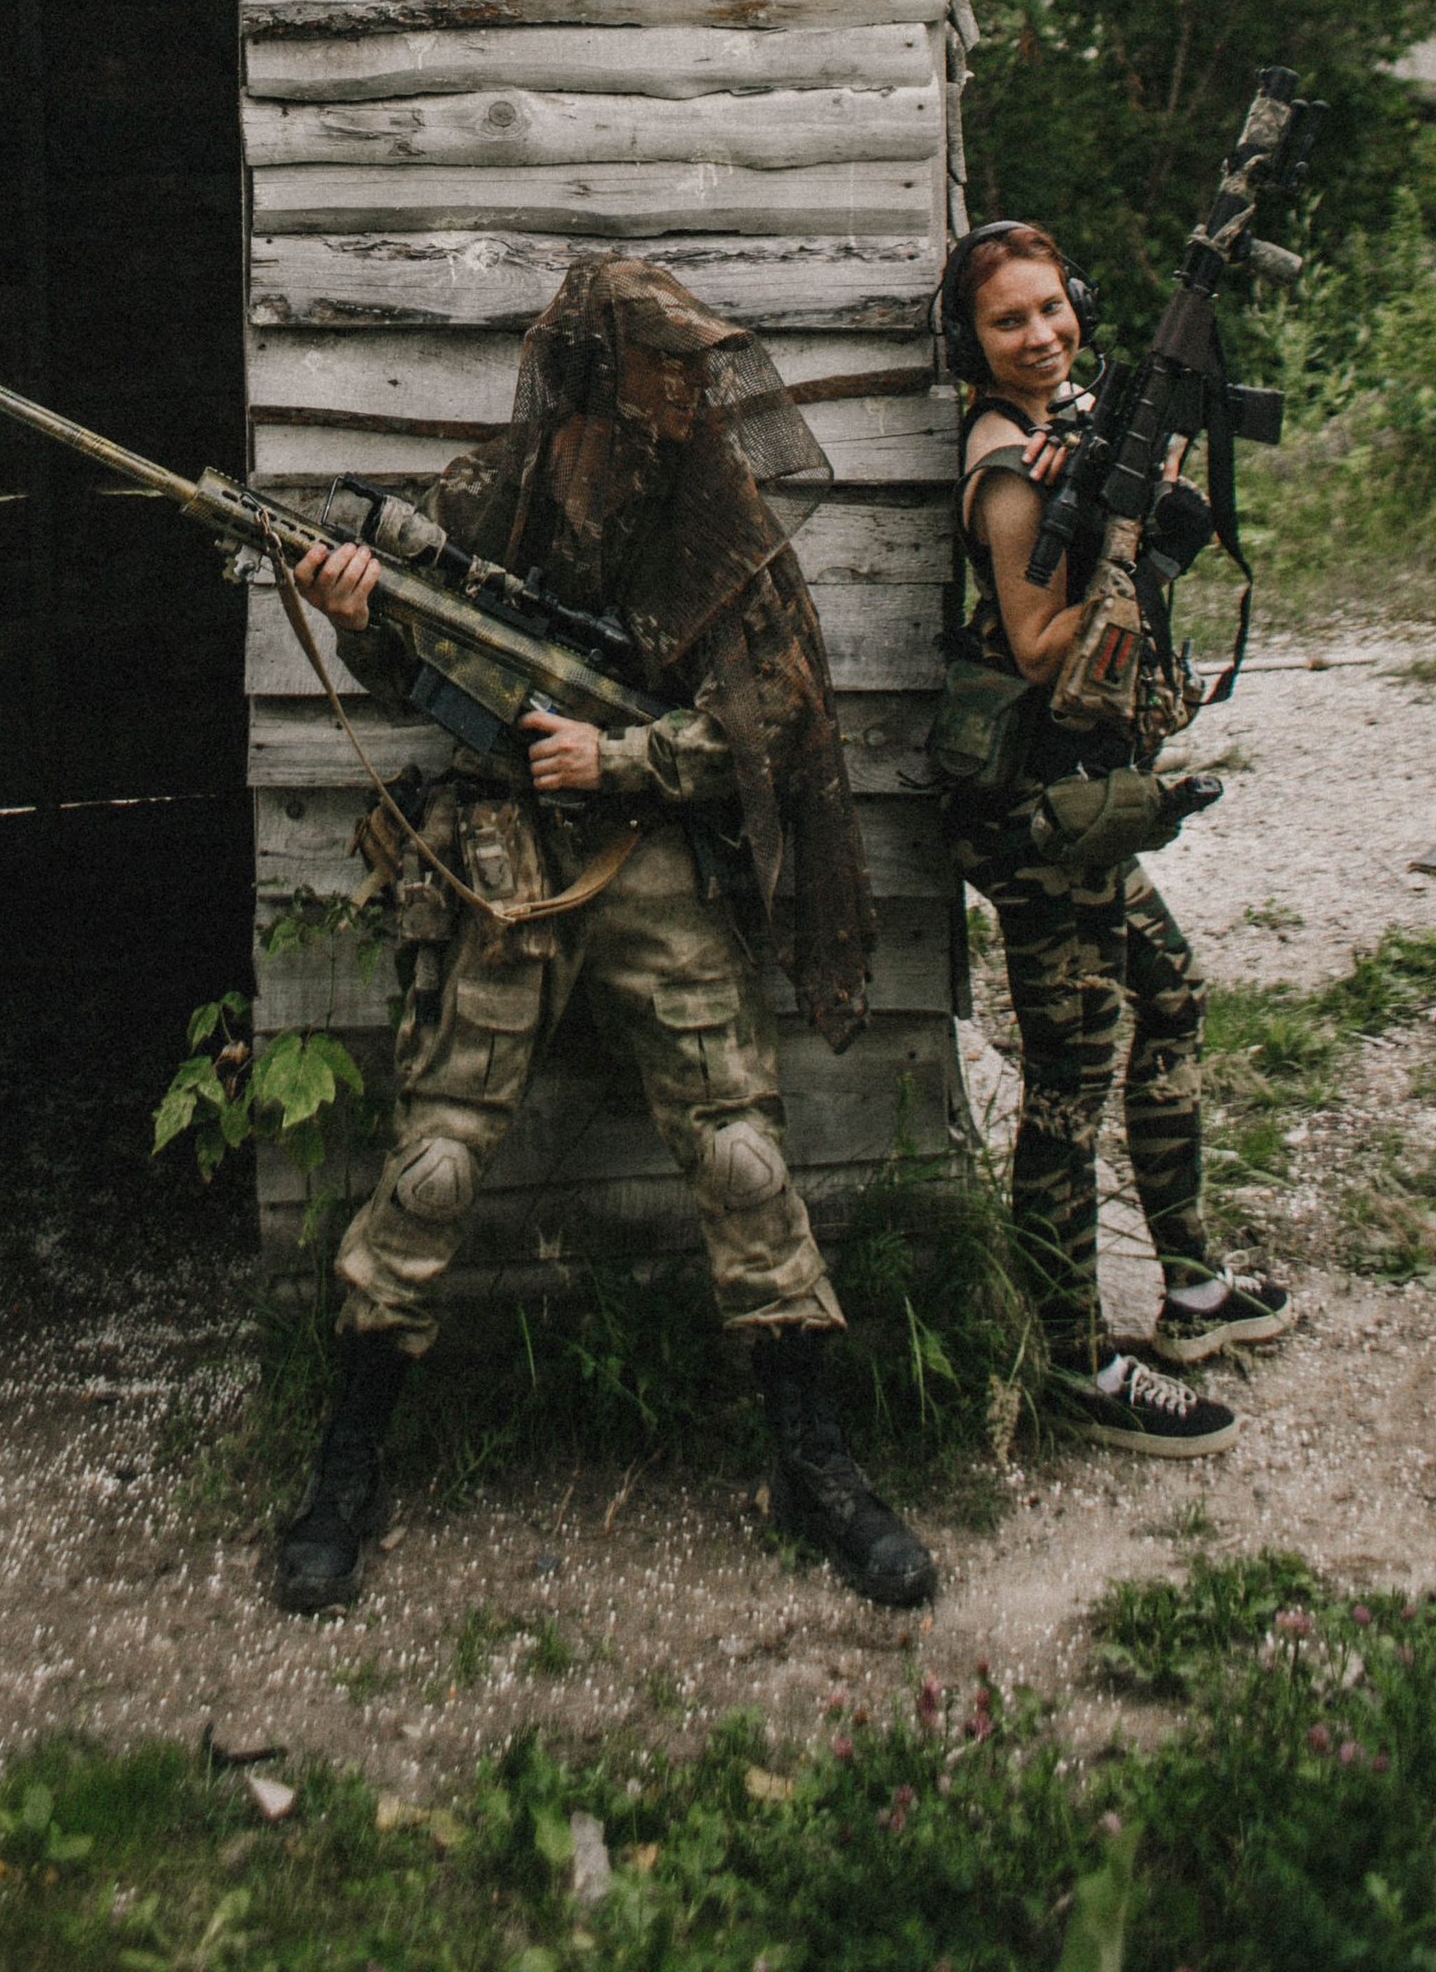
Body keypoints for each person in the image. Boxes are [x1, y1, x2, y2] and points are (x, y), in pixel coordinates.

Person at [272, 255, 937, 1617]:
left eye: (688, 376)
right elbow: (416, 670)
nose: (680, 400)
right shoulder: (478, 501)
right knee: (439, 1168)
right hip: (502, 865)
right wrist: (355, 621)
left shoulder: (718, 517)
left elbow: (776, 721)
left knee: (745, 1156)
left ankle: (814, 1463)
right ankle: (347, 1467)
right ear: (585, 374)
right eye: (655, 373)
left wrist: (619, 757)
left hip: (643, 864)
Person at [939, 218, 1292, 1454]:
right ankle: (1077, 1364)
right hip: (1036, 814)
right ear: (971, 345)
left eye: (1050, 309)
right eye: (1008, 321)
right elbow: (1040, 649)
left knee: (1175, 992)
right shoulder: (1006, 464)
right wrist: (1116, 523)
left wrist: (1151, 489)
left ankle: (1189, 1288)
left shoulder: (1073, 418)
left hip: (1081, 799)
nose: (1040, 336)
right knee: (1067, 1083)